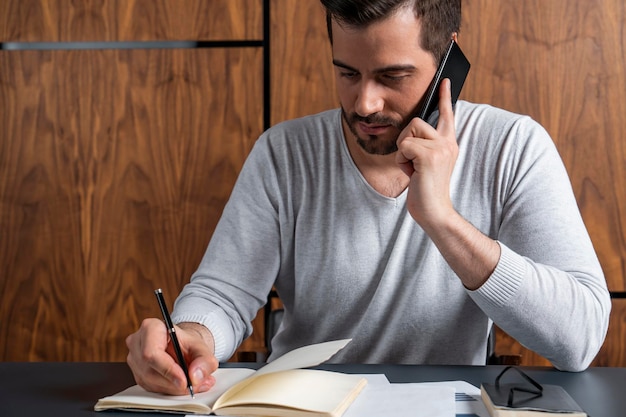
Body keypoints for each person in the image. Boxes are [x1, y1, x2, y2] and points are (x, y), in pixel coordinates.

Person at [126, 0, 611, 395]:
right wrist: (190, 339)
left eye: (392, 77)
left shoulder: (512, 148)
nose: (365, 104)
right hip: (303, 407)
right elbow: (223, 294)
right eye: (348, 73)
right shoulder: (283, 154)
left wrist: (442, 220)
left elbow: (579, 339)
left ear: (448, 57)